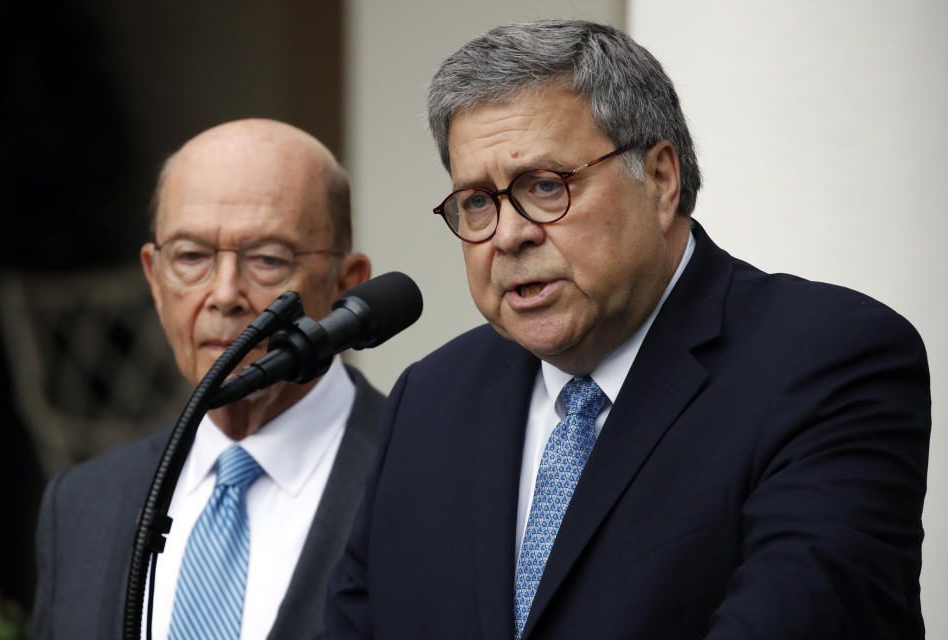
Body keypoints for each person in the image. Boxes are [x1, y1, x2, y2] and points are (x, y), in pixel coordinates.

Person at [325, 19, 931, 639]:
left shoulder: (829, 360)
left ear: (661, 178)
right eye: (477, 201)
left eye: (544, 185)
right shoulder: (430, 398)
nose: (508, 235)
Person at [32, 118, 383, 639]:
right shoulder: (82, 503)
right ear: (154, 278)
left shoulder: (424, 476)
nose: (224, 294)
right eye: (191, 257)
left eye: (267, 259)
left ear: (345, 284)